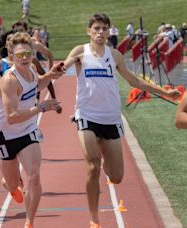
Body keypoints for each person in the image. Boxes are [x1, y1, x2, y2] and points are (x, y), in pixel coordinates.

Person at [62, 13, 180, 228]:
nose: (100, 32)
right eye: (96, 28)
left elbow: (134, 81)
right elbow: (65, 65)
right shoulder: (80, 51)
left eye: (105, 29)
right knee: (92, 165)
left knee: (116, 177)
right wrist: (57, 70)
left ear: (109, 32)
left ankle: (107, 162)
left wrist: (164, 92)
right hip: (87, 115)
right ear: (89, 31)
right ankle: (94, 217)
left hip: (111, 118)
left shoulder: (115, 55)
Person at [0, 32, 64, 228]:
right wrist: (41, 107)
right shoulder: (9, 80)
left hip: (27, 130)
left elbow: (36, 84)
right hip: (4, 134)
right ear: (11, 55)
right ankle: (10, 184)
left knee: (34, 175)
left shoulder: (30, 69)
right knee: (14, 185)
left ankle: (29, 222)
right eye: (19, 54)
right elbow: (12, 117)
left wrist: (50, 75)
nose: (24, 58)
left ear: (32, 54)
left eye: (27, 54)